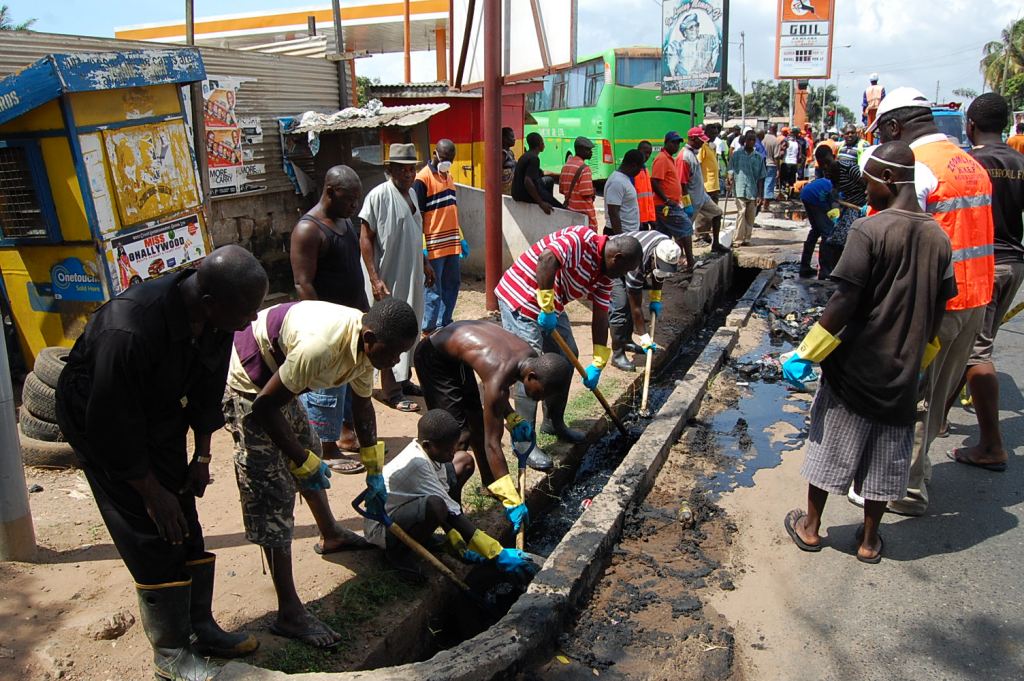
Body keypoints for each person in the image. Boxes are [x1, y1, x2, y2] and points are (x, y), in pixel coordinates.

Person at [55, 246, 267, 680]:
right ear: (209, 302)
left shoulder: (220, 314)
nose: (249, 322)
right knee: (149, 524)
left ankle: (200, 626)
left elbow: (207, 389)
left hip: (159, 406)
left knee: (183, 508)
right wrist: (150, 491)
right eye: (245, 312)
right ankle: (170, 652)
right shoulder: (129, 329)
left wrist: (202, 455)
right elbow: (110, 424)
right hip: (100, 415)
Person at [782, 141, 956, 564]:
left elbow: (843, 301)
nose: (863, 189)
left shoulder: (870, 230)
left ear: (890, 179)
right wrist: (921, 362)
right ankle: (869, 540)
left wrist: (806, 352)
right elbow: (938, 310)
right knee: (885, 457)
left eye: (868, 181)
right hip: (901, 370)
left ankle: (811, 527)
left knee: (831, 446)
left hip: (856, 365)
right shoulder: (938, 236)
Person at [223, 297, 419, 649]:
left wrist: (375, 470)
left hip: (281, 376)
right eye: (393, 354)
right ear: (370, 337)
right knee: (274, 492)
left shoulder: (366, 348)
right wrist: (300, 461)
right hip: (251, 383)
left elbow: (362, 407)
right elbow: (265, 407)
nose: (396, 362)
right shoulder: (321, 347)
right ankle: (289, 613)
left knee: (309, 448)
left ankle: (331, 534)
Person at [868, 87, 994, 516]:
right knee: (937, 395)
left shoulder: (917, 168)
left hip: (933, 306)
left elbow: (893, 239)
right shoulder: (967, 161)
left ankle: (906, 488)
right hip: (974, 299)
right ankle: (916, 472)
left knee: (912, 396)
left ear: (894, 127)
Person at [494, 227, 643, 464]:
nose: (620, 277)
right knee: (529, 367)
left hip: (552, 303)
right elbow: (546, 259)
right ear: (617, 258)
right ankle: (524, 444)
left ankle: (553, 422)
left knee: (567, 355)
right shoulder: (582, 240)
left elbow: (601, 314)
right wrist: (546, 306)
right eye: (623, 271)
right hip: (521, 296)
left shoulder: (605, 274)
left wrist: (598, 360)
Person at [413, 321, 573, 518]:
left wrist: (512, 418)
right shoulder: (499, 374)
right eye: (541, 393)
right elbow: (493, 443)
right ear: (532, 377)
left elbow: (498, 395)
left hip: (456, 358)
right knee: (458, 436)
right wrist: (511, 498)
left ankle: (490, 485)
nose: (540, 399)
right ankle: (451, 508)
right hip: (433, 357)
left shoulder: (529, 358)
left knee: (477, 423)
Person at [365, 409, 539, 581]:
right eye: (448, 450)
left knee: (464, 461)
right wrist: (496, 552)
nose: (452, 452)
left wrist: (454, 534)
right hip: (383, 527)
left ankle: (429, 536)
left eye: (454, 446)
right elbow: (450, 512)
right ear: (427, 445)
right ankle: (398, 554)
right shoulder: (418, 465)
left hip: (407, 507)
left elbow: (448, 498)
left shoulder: (429, 453)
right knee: (436, 506)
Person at [950, 93, 1024, 471]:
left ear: (970, 126)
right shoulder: (1019, 162)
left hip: (981, 265)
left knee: (972, 351)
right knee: (972, 345)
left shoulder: (969, 164)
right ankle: (939, 417)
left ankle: (992, 446)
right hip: (1013, 263)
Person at [290, 165, 368, 473]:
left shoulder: (344, 222)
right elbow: (302, 283)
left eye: (357, 200)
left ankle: (346, 433)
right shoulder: (309, 230)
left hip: (353, 317)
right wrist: (323, 326)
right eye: (350, 199)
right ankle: (325, 445)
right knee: (326, 386)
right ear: (330, 192)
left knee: (349, 379)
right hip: (328, 323)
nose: (354, 206)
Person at [360, 142, 434, 412]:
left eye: (412, 169)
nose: (409, 174)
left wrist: (425, 262)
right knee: (388, 331)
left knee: (410, 327)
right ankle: (390, 391)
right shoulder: (378, 196)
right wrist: (374, 278)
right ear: (390, 169)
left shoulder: (413, 194)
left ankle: (404, 380)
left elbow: (415, 234)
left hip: (412, 274)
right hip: (389, 277)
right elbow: (365, 238)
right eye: (402, 170)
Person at [415, 139, 467, 336]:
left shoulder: (448, 175)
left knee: (452, 284)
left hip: (451, 243)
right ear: (435, 153)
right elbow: (418, 216)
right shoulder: (422, 179)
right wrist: (422, 246)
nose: (447, 162)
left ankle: (444, 322)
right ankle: (429, 327)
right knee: (433, 288)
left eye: (450, 159)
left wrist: (460, 237)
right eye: (445, 158)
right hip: (434, 245)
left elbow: (451, 209)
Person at [612, 230, 680, 371]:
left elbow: (659, 274)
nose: (662, 270)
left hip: (628, 258)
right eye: (659, 265)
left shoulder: (666, 245)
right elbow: (635, 306)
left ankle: (627, 341)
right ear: (653, 257)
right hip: (612, 263)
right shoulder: (637, 263)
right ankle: (617, 355)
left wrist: (656, 297)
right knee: (621, 306)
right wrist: (644, 336)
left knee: (628, 306)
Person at [651, 131, 695, 269]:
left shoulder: (670, 158)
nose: (676, 145)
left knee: (664, 235)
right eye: (674, 142)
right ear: (667, 143)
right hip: (666, 205)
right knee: (686, 227)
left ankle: (663, 265)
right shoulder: (662, 159)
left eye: (678, 143)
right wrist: (666, 200)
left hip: (670, 203)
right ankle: (690, 262)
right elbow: (655, 181)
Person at [679, 126, 727, 253]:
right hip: (692, 198)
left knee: (717, 213)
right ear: (692, 139)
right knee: (685, 228)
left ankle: (716, 244)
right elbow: (682, 183)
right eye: (700, 140)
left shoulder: (693, 153)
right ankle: (683, 254)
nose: (702, 143)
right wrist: (687, 203)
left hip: (702, 195)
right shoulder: (685, 157)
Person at [797, 148, 838, 278]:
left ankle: (805, 266)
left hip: (809, 194)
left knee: (816, 230)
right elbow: (833, 207)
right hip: (815, 197)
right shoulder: (837, 183)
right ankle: (825, 270)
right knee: (827, 233)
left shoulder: (832, 176)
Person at [727, 129, 767, 247]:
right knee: (741, 212)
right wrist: (729, 177)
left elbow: (761, 177)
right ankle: (738, 239)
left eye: (753, 140)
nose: (751, 142)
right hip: (739, 188)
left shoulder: (758, 157)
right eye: (749, 139)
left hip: (753, 190)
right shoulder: (737, 154)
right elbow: (731, 167)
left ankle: (747, 239)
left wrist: (760, 194)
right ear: (745, 141)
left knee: (750, 216)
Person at [512, 132, 563, 213]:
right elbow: (527, 181)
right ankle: (548, 202)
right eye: (543, 142)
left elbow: (542, 173)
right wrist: (541, 203)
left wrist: (560, 175)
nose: (544, 145)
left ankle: (548, 198)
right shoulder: (534, 159)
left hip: (517, 192)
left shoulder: (526, 155)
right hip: (524, 194)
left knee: (549, 180)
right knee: (560, 207)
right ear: (539, 144)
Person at [559, 136, 598, 230]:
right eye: (588, 150)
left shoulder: (566, 165)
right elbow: (586, 193)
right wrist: (593, 192)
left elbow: (562, 190)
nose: (591, 152)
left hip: (571, 214)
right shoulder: (585, 169)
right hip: (585, 218)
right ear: (580, 150)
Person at [604, 150, 645, 235]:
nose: (639, 172)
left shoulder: (624, 179)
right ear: (634, 166)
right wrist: (620, 237)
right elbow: (613, 213)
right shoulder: (617, 182)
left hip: (629, 232)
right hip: (619, 233)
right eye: (640, 169)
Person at [698, 123, 725, 247]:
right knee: (704, 215)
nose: (715, 136)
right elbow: (698, 164)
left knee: (713, 214)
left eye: (716, 133)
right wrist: (701, 184)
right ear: (706, 133)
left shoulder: (711, 147)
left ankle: (709, 236)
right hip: (706, 185)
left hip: (714, 185)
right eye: (712, 133)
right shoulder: (703, 147)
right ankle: (700, 236)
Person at [634, 141, 658, 230]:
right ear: (638, 151)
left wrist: (652, 218)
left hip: (645, 220)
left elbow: (649, 198)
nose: (647, 156)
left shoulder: (645, 170)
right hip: (636, 220)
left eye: (649, 153)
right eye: (645, 152)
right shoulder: (633, 171)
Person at [778, 127, 801, 198]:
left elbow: (781, 153)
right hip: (794, 163)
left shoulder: (786, 142)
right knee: (792, 179)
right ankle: (791, 193)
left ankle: (786, 192)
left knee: (785, 179)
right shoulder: (798, 144)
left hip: (786, 163)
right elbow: (799, 157)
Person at [762, 124, 781, 207]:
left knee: (762, 183)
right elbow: (776, 157)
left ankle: (760, 202)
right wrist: (778, 169)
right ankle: (765, 205)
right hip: (771, 164)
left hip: (762, 163)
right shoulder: (776, 140)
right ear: (776, 129)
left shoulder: (762, 138)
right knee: (769, 183)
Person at [862, 73, 886, 137]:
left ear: (870, 81)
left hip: (869, 112)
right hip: (879, 111)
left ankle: (870, 141)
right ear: (877, 80)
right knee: (880, 126)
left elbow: (864, 103)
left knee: (870, 127)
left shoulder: (866, 90)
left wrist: (864, 112)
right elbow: (883, 100)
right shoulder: (881, 88)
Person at [501, 126, 517, 194]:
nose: (514, 139)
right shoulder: (502, 153)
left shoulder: (510, 152)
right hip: (505, 191)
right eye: (512, 137)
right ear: (504, 139)